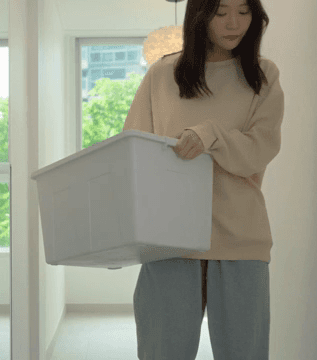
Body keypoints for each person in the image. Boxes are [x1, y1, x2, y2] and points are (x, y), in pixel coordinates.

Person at [123, 0, 285, 359]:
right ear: (200, 14)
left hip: (240, 238)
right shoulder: (161, 75)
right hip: (170, 240)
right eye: (221, 11)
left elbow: (261, 148)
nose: (234, 23)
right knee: (162, 353)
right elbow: (136, 152)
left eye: (244, 12)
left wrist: (211, 134)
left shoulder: (263, 75)